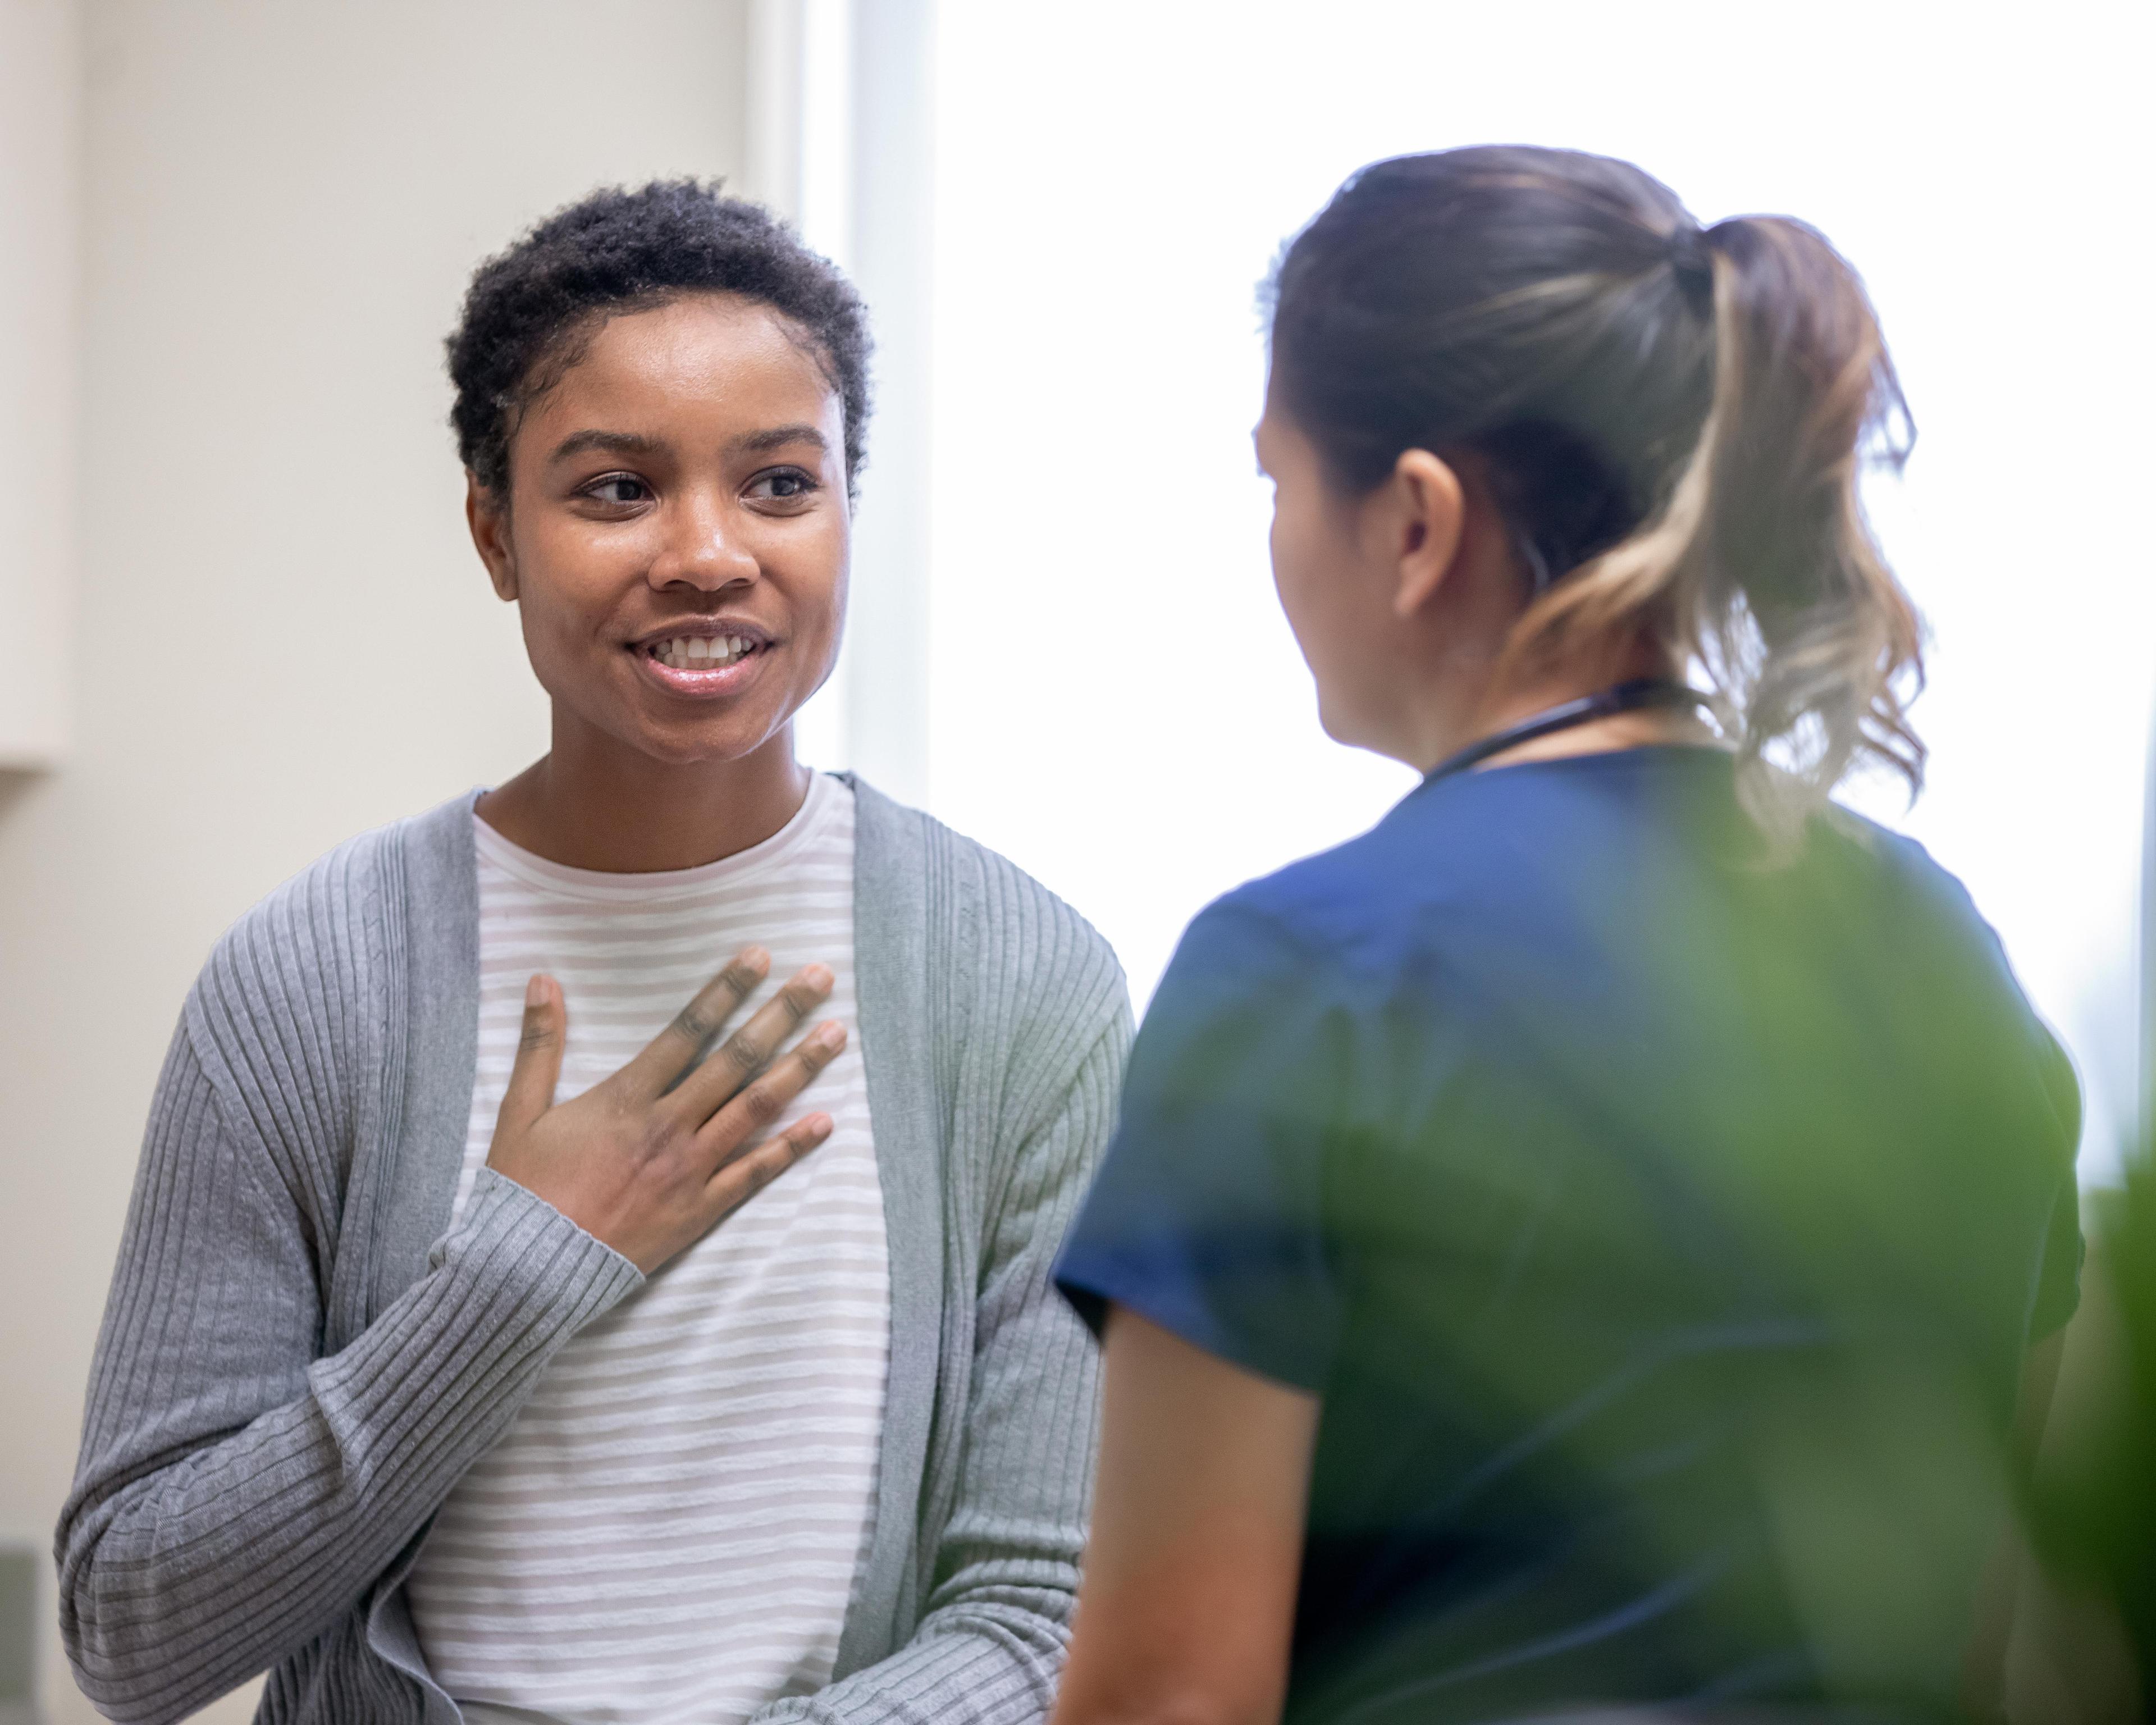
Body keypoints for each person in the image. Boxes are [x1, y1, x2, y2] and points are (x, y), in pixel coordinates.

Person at [58, 181, 1129, 1725]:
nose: (707, 553)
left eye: (778, 484)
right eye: (616, 490)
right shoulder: (308, 987)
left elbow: (1050, 1621)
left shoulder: (1021, 984)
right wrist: (516, 1270)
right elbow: (131, 1634)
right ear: (496, 536)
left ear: (845, 512)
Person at [1050, 147, 2082, 1725]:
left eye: (1276, 483)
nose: (1271, 543)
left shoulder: (1307, 977)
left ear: (1413, 521)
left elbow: (1168, 1703)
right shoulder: (1947, 958)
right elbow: (1986, 1640)